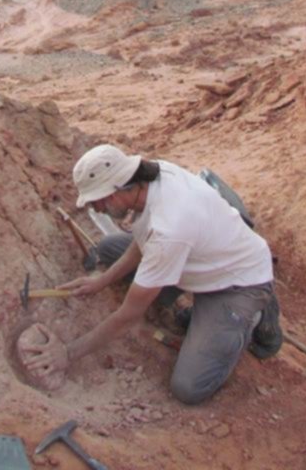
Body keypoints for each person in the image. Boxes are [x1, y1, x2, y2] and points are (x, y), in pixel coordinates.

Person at [24, 144, 282, 404]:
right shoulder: (152, 178)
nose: (96, 210)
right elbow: (143, 239)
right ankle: (202, 313)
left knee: (189, 388)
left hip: (238, 281)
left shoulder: (170, 228)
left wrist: (68, 353)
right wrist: (101, 281)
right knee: (108, 248)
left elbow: (128, 315)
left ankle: (251, 317)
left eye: (97, 202)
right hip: (200, 254)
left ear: (116, 191)